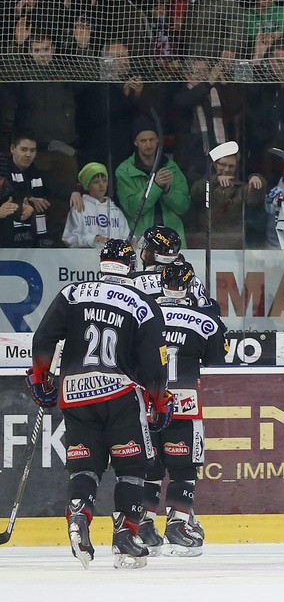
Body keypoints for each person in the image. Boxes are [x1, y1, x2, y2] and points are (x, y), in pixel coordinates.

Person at [29, 239, 170, 569]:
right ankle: (125, 535)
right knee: (132, 467)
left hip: (75, 392)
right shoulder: (142, 303)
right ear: (130, 266)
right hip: (119, 394)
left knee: (85, 466)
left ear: (102, 262)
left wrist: (40, 377)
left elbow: (43, 338)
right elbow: (154, 363)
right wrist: (159, 401)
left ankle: (79, 515)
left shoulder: (73, 292)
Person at [142, 258, 226, 558]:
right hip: (184, 406)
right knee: (184, 471)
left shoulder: (144, 314)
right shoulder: (203, 319)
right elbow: (218, 355)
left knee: (150, 469)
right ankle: (178, 525)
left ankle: (145, 527)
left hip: (149, 404)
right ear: (190, 285)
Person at [114, 121, 191, 241]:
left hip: (172, 238)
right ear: (135, 142)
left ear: (158, 141)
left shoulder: (171, 167)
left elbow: (183, 206)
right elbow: (132, 209)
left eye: (151, 139)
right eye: (143, 141)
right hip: (141, 239)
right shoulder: (124, 171)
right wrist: (155, 186)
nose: (148, 145)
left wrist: (168, 190)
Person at [63, 160, 131, 247]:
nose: (101, 185)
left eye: (104, 180)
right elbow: (69, 239)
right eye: (96, 182)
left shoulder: (115, 211)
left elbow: (126, 237)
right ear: (87, 185)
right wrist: (92, 239)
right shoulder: (79, 208)